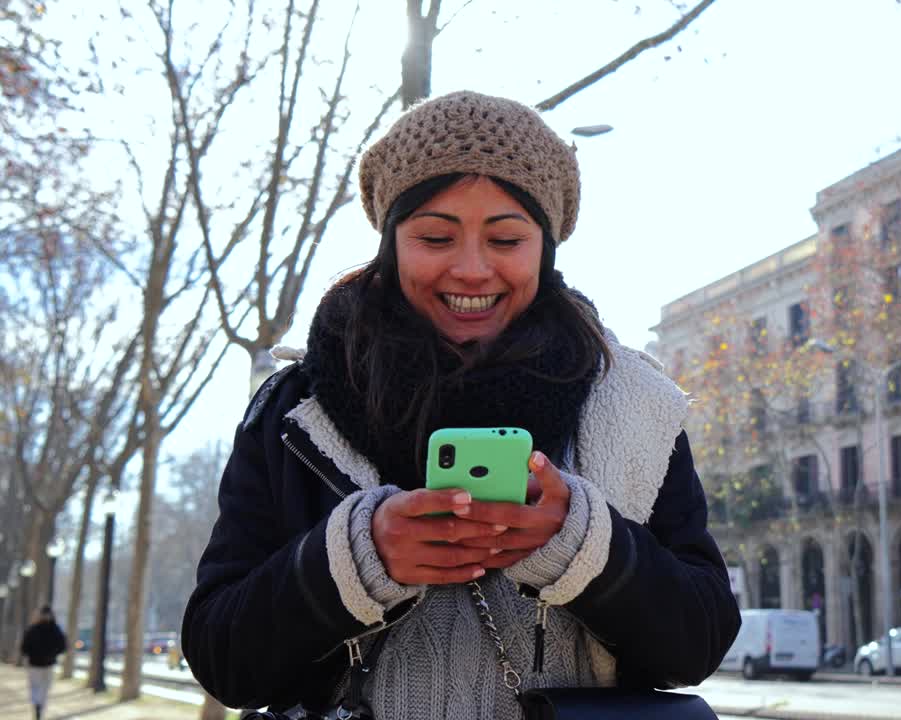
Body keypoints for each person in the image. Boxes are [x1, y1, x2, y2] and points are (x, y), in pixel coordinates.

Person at [182, 90, 740, 720]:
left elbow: (699, 643)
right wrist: (359, 557)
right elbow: (222, 658)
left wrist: (581, 544)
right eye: (434, 236)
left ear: (546, 248)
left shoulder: (637, 405)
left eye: (505, 239)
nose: (472, 270)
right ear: (392, 242)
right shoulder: (293, 413)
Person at [20, 606, 67, 720]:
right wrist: (53, 654)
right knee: (43, 688)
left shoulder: (33, 629)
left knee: (38, 687)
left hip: (38, 664)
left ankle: (38, 706)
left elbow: (24, 648)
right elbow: (63, 646)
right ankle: (39, 706)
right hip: (44, 664)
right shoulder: (55, 629)